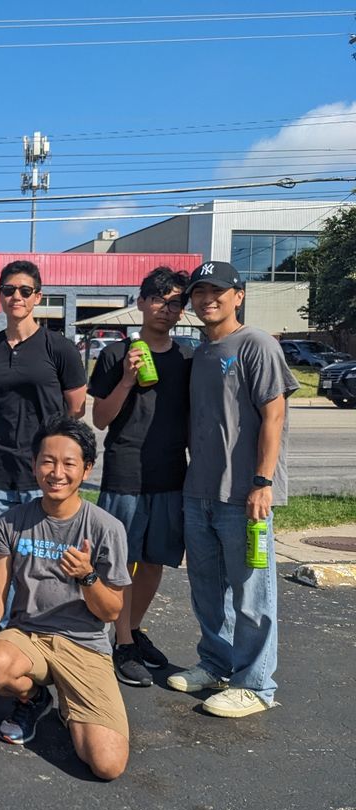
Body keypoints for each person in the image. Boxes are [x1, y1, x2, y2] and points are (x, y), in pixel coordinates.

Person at [0, 416, 131, 781]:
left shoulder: (105, 528)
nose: (57, 472)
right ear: (34, 465)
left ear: (85, 470)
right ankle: (33, 698)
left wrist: (87, 576)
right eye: (47, 461)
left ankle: (73, 705)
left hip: (85, 645)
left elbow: (112, 610)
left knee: (106, 764)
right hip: (29, 636)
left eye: (69, 463)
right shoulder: (13, 522)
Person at [167, 261, 298, 718]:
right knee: (207, 588)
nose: (208, 300)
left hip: (245, 496)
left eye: (218, 291)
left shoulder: (257, 344)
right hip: (199, 491)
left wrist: (262, 483)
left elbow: (274, 416)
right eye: (200, 293)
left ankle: (256, 684)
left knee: (251, 593)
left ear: (238, 295)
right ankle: (216, 663)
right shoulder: (201, 351)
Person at [87, 267, 193, 687]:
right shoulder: (116, 354)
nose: (166, 310)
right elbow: (99, 418)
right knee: (120, 562)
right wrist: (128, 380)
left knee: (154, 561)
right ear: (141, 302)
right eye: (159, 300)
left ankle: (130, 632)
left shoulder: (187, 358)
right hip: (125, 471)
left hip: (170, 472)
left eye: (175, 304)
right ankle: (123, 641)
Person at [0, 260, 87, 531]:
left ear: (38, 296)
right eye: (9, 290)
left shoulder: (60, 348)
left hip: (46, 477)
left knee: (44, 561)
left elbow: (76, 410)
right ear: (0, 295)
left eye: (25, 290)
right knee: (2, 558)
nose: (16, 297)